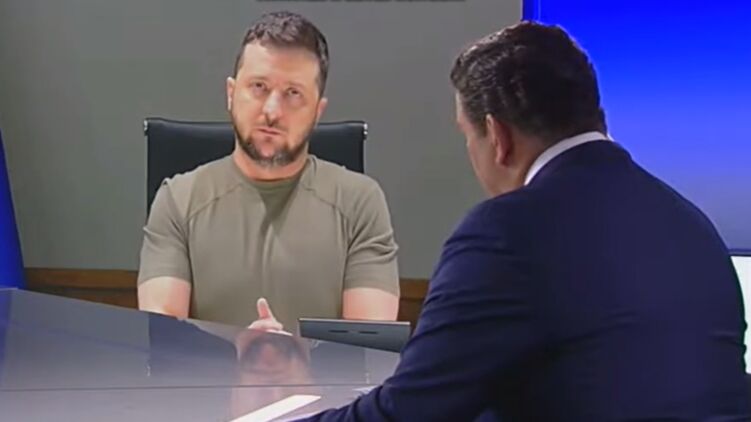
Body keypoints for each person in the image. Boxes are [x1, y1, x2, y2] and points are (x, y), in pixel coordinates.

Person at [298, 21, 750, 421]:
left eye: (467, 136)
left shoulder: (506, 233)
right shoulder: (692, 224)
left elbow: (410, 412)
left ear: (497, 137)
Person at [137, 11, 400, 334]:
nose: (272, 111)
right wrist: (239, 353)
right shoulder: (178, 200)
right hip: (210, 371)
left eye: (293, 93)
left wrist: (292, 354)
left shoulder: (360, 203)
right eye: (259, 87)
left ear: (318, 111)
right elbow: (164, 338)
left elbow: (369, 347)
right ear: (231, 94)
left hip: (318, 372)